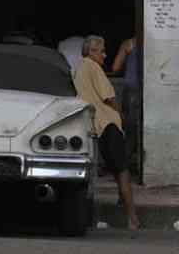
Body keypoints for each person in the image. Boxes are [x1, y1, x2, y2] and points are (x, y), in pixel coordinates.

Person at [73, 35, 141, 230]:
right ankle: (132, 218)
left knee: (107, 169)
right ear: (92, 51)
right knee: (122, 170)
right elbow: (109, 97)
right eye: (102, 51)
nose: (105, 55)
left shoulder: (78, 69)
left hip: (93, 126)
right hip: (108, 124)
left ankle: (115, 205)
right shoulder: (94, 67)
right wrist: (121, 117)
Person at [111, 37, 140, 174]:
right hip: (151, 88)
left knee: (129, 129)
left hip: (131, 90)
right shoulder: (158, 42)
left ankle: (123, 165)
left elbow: (115, 67)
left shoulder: (129, 43)